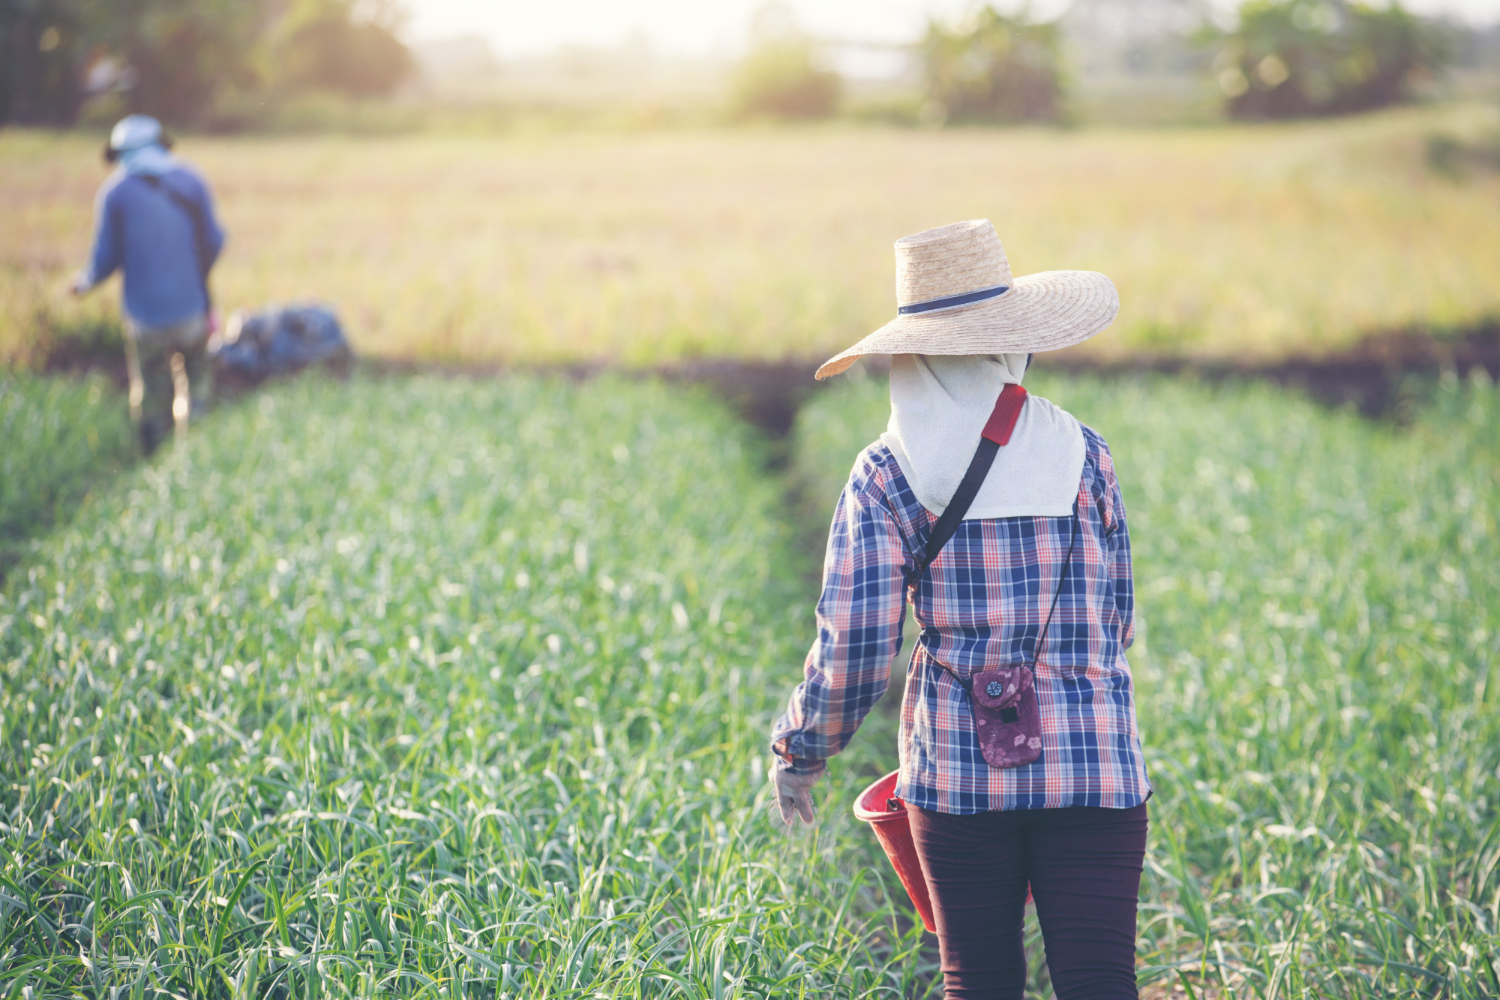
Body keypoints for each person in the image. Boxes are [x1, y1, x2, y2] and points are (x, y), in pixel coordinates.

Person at [771, 220, 1150, 999]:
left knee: (977, 981)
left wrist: (800, 754)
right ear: (1010, 343)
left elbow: (856, 652)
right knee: (1101, 983)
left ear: (909, 354)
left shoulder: (887, 473)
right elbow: (1119, 624)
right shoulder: (1086, 452)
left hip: (959, 777)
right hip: (1099, 767)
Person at [72, 114, 225, 455]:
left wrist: (83, 283)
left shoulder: (116, 193)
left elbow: (104, 259)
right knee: (197, 384)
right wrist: (195, 276)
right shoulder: (192, 180)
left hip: (144, 317)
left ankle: (152, 459)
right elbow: (215, 240)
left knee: (151, 391)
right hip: (192, 309)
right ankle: (192, 454)